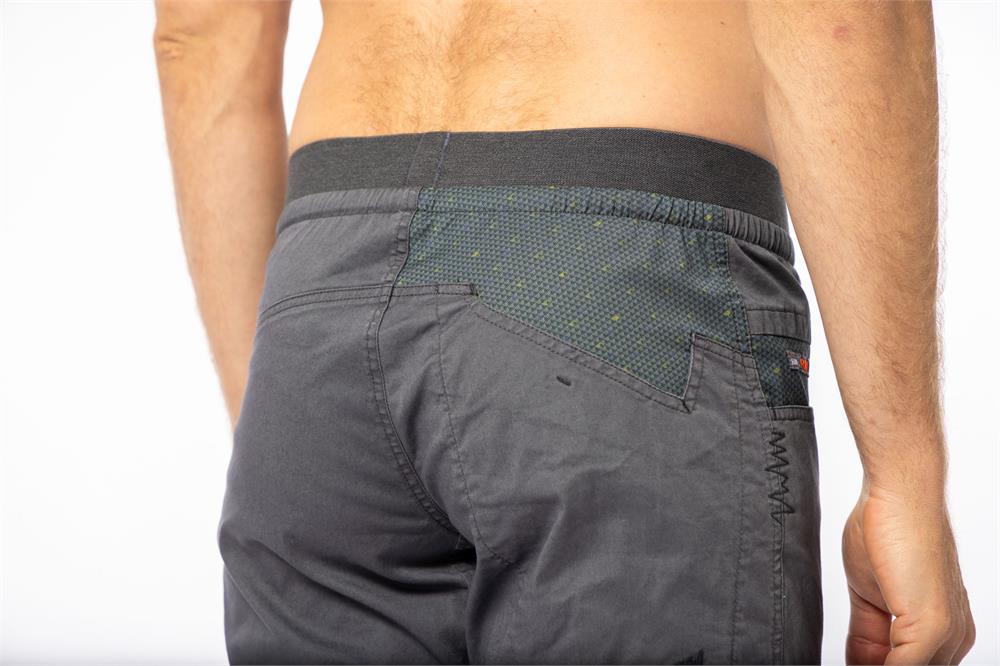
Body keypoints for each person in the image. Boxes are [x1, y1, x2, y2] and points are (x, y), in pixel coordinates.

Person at [153, 1, 974, 664]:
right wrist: (902, 475)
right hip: (613, 270)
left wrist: (274, 406)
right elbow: (843, 16)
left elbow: (198, 33)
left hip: (320, 294)